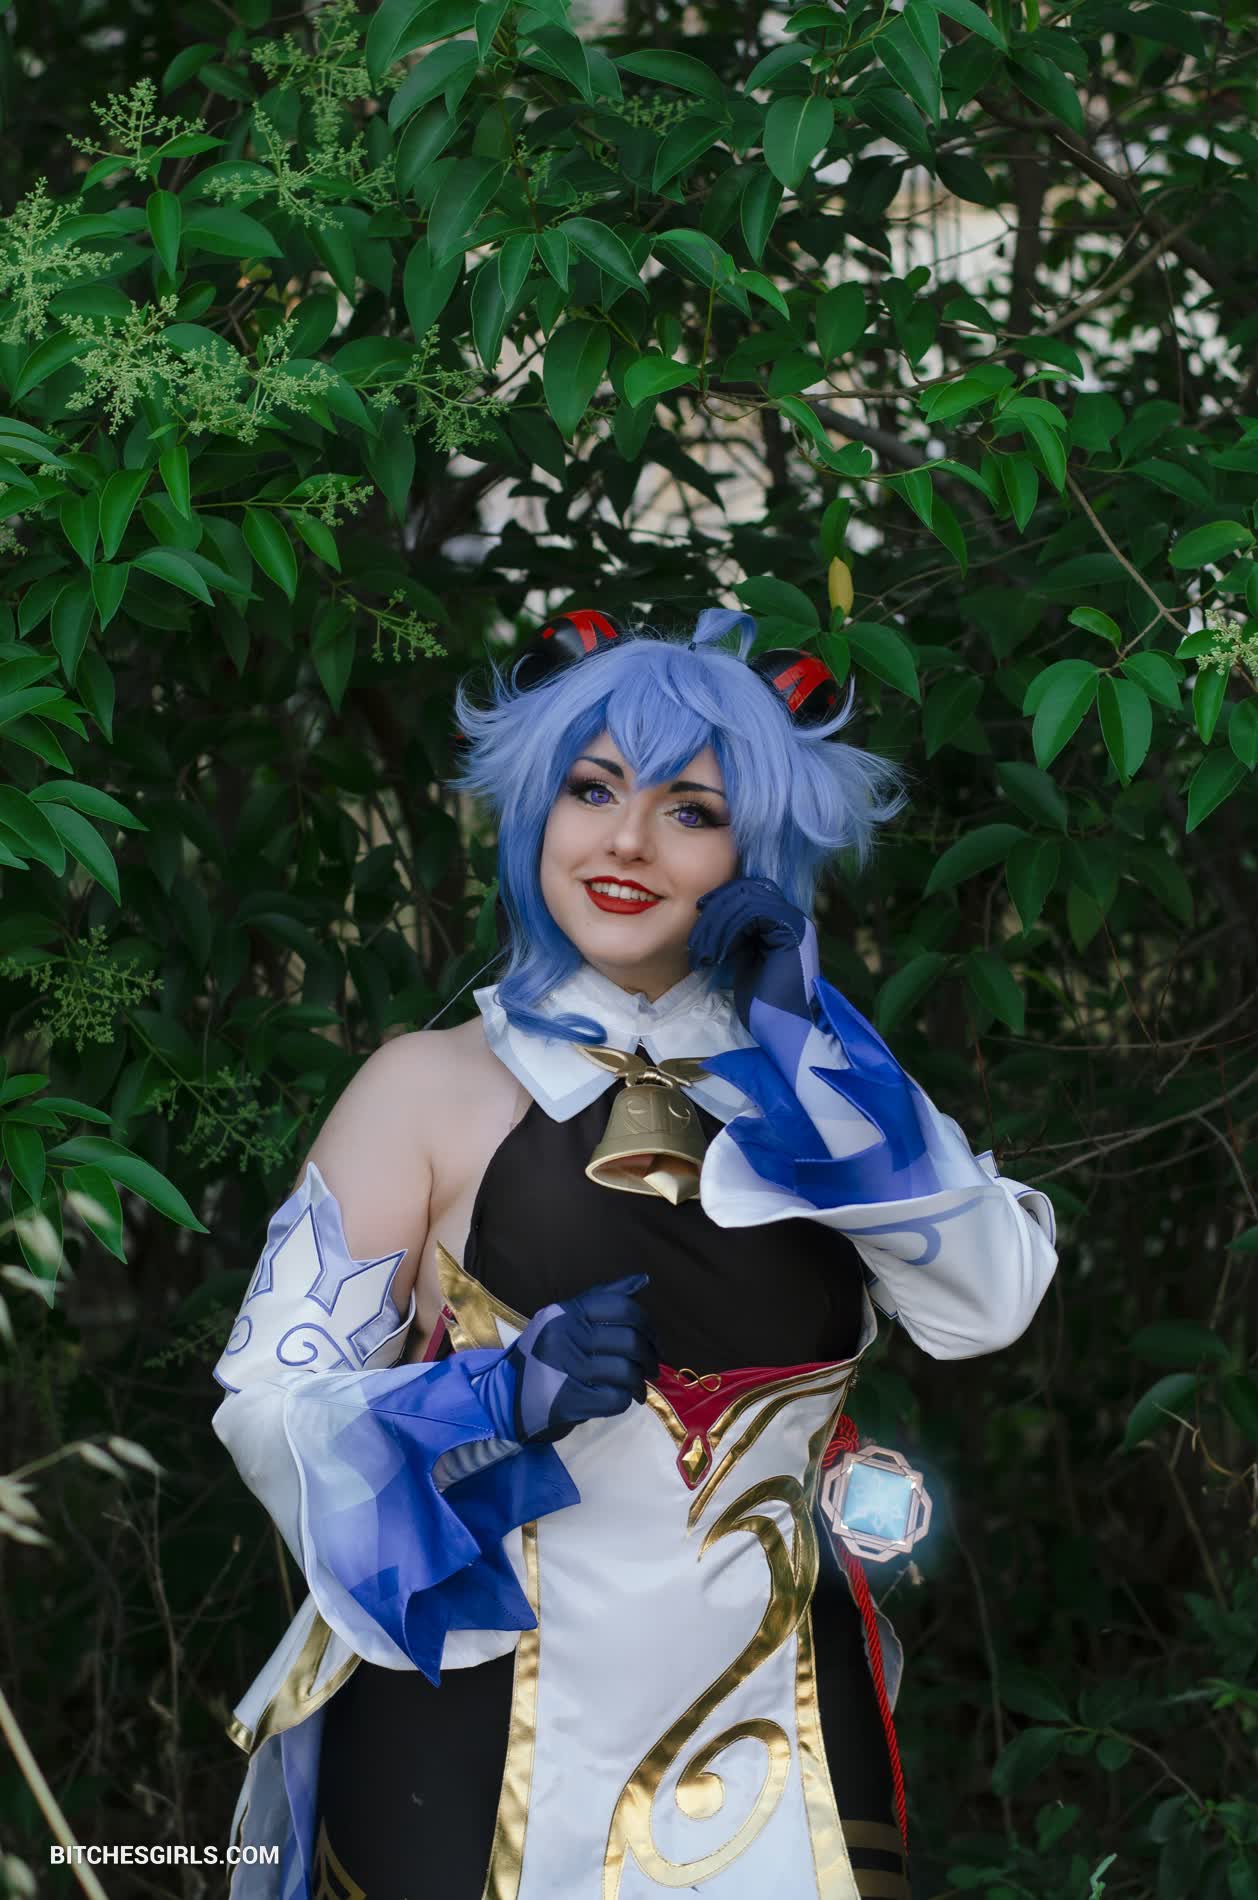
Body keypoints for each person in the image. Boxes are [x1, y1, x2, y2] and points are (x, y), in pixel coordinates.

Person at [210, 607, 1059, 1900]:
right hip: (474, 1729)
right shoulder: (427, 1086)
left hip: (777, 1733)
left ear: (759, 852)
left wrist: (810, 1044)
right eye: (591, 789)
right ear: (534, 811)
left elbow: (986, 1304)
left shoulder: (830, 1091)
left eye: (690, 811)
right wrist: (491, 1397)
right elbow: (266, 1407)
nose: (625, 841)